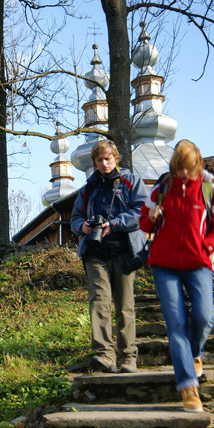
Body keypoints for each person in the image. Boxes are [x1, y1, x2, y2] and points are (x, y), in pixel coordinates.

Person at [140, 140, 214, 412]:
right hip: (164, 264)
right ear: (174, 166)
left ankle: (195, 353)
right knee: (176, 323)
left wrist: (208, 245)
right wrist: (152, 216)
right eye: (180, 168)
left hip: (198, 262)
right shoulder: (162, 188)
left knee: (205, 317)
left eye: (189, 169)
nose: (184, 174)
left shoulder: (210, 189)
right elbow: (144, 221)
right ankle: (188, 387)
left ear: (198, 165)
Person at [71, 140, 149, 374]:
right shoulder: (88, 188)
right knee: (99, 302)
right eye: (99, 160)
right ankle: (104, 353)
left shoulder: (131, 181)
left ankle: (128, 356)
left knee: (124, 304)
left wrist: (114, 224)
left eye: (108, 159)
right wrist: (82, 226)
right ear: (94, 162)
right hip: (95, 252)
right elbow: (74, 218)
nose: (104, 164)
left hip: (123, 249)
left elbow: (142, 210)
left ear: (116, 158)